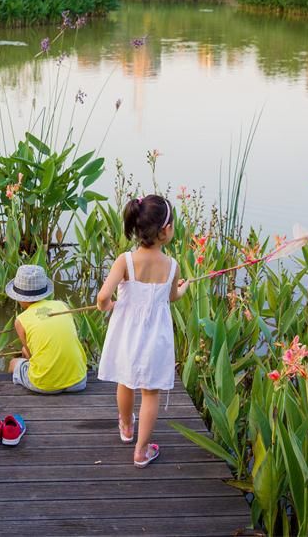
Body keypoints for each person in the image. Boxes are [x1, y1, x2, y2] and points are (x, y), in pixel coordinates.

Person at [96, 194, 188, 468]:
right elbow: (172, 297)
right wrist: (183, 288)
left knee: (125, 379)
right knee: (150, 392)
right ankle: (142, 450)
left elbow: (103, 296)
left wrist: (107, 305)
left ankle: (126, 426)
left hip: (126, 333)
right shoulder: (172, 266)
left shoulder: (125, 261)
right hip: (156, 337)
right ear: (165, 230)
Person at [6, 265, 88, 394]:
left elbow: (31, 355)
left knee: (13, 363)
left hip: (45, 385)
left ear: (18, 297)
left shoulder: (21, 320)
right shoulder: (63, 306)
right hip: (78, 381)